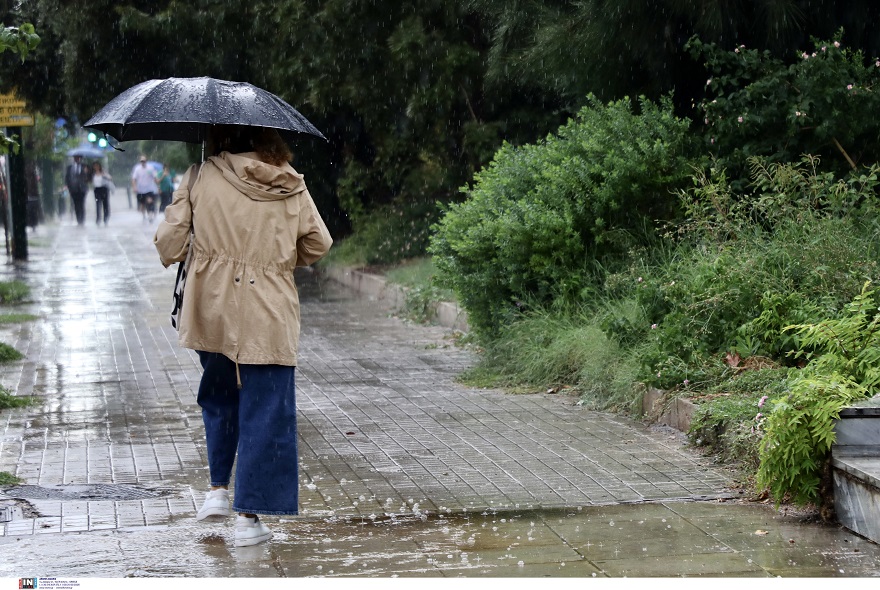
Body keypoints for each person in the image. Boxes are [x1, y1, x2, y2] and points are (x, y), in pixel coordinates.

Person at [154, 126, 332, 547]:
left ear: (220, 138)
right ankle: (248, 519)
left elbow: (169, 245)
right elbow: (317, 244)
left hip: (211, 306)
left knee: (219, 396)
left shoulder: (200, 175)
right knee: (265, 409)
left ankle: (217, 490)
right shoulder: (289, 182)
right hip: (268, 310)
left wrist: (201, 229)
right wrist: (275, 258)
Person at [64, 155, 91, 226]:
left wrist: (86, 173)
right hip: (73, 189)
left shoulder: (85, 166)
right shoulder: (70, 167)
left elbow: (89, 177)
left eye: (78, 158)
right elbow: (67, 178)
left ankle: (82, 219)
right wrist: (69, 187)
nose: (77, 159)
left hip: (82, 189)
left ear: (81, 158)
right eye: (76, 158)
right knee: (76, 204)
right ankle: (78, 220)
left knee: (82, 204)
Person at [131, 155, 159, 222]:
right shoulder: (137, 169)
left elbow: (155, 177)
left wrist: (158, 185)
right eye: (141, 161)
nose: (143, 162)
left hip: (149, 188)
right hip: (140, 189)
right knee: (142, 204)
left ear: (146, 161)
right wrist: (134, 187)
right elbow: (134, 179)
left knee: (149, 201)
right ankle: (144, 215)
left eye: (144, 161)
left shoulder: (150, 168)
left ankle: (150, 215)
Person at [91, 161, 114, 226]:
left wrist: (104, 175)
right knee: (98, 205)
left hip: (104, 189)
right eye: (94, 166)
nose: (96, 167)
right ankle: (98, 219)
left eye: (97, 166)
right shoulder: (93, 174)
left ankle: (106, 218)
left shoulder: (103, 172)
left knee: (105, 205)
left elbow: (110, 178)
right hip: (97, 190)